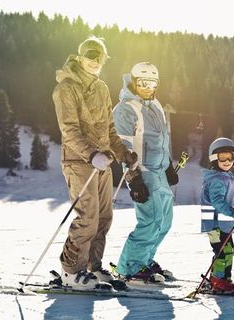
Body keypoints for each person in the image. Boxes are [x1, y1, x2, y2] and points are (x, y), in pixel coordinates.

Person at [53, 36, 138, 290]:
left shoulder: (101, 88)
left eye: (99, 57)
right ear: (80, 57)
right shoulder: (66, 88)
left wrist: (123, 153)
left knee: (104, 217)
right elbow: (69, 130)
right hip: (79, 162)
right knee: (87, 216)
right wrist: (91, 155)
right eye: (90, 55)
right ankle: (71, 270)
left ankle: (92, 266)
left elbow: (110, 129)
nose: (95, 61)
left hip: (102, 161)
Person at [113, 62, 179, 283]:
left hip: (160, 171)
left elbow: (160, 139)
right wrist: (134, 180)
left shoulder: (156, 105)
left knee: (165, 221)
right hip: (143, 172)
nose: (148, 87)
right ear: (134, 81)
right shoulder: (125, 108)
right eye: (143, 83)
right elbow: (123, 148)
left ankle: (146, 260)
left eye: (153, 83)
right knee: (150, 221)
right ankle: (131, 267)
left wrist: (169, 165)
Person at [201, 137, 234, 293]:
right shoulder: (217, 179)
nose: (227, 160)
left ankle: (223, 278)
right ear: (213, 157)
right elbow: (218, 203)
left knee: (227, 250)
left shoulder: (225, 176)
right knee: (223, 251)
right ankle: (218, 280)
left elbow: (227, 199)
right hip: (215, 225)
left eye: (231, 156)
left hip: (221, 224)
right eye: (223, 156)